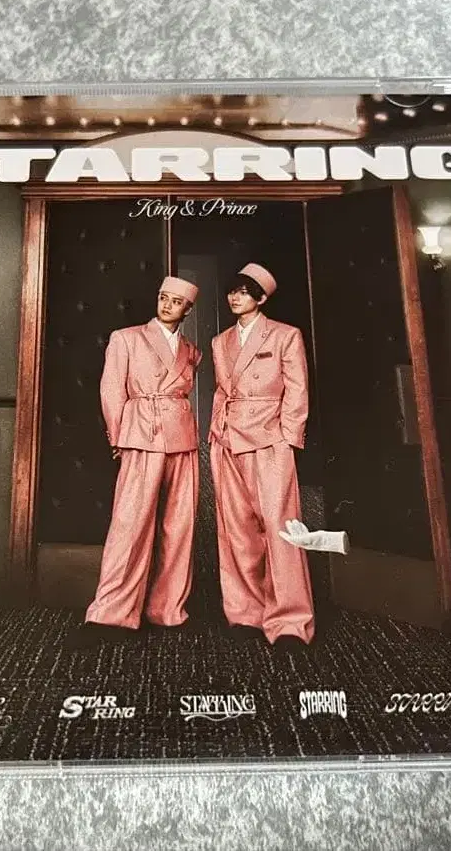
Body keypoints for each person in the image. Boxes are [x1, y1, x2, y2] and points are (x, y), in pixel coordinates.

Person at [70, 276, 202, 648]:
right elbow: (112, 389)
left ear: (188, 309)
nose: (167, 305)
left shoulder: (191, 350)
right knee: (130, 524)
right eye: (163, 297)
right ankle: (111, 613)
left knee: (180, 526)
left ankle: (168, 610)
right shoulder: (126, 338)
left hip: (182, 438)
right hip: (141, 434)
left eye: (176, 301)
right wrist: (118, 437)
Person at [208, 262, 315, 651]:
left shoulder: (285, 335)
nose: (235, 298)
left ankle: (290, 621)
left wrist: (288, 438)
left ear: (262, 298)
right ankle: (245, 613)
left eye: (244, 292)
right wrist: (215, 433)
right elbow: (222, 391)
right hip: (227, 440)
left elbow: (297, 390)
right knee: (237, 528)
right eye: (232, 291)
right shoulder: (220, 341)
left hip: (270, 439)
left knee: (281, 526)